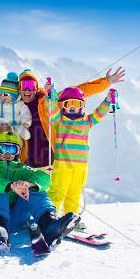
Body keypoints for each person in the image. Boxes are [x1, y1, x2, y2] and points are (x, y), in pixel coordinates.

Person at [0, 131, 80, 253]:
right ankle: (0, 228)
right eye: (4, 148)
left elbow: (45, 179)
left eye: (13, 149)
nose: (8, 153)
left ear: (18, 152)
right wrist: (10, 186)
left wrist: (29, 184)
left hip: (16, 218)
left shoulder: (22, 169)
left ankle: (49, 225)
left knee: (34, 187)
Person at [18, 67, 125, 170]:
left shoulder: (49, 100)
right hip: (28, 166)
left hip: (52, 164)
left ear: (37, 87)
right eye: (24, 85)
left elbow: (81, 90)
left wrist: (106, 81)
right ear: (19, 89)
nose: (27, 90)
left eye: (31, 85)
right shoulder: (15, 107)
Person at [45, 87, 114, 223]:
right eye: (68, 103)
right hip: (63, 164)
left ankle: (71, 219)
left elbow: (99, 114)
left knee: (74, 194)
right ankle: (48, 218)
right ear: (62, 106)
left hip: (81, 167)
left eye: (76, 104)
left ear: (82, 106)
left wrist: (107, 101)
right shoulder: (60, 120)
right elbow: (52, 108)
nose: (72, 107)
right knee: (57, 191)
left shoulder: (86, 122)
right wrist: (50, 94)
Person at [0, 72, 32, 162]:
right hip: (0, 126)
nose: (3, 96)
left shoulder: (20, 104)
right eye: (1, 93)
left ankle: (15, 154)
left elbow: (25, 113)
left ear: (13, 94)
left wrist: (26, 122)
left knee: (24, 135)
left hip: (14, 125)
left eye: (5, 94)